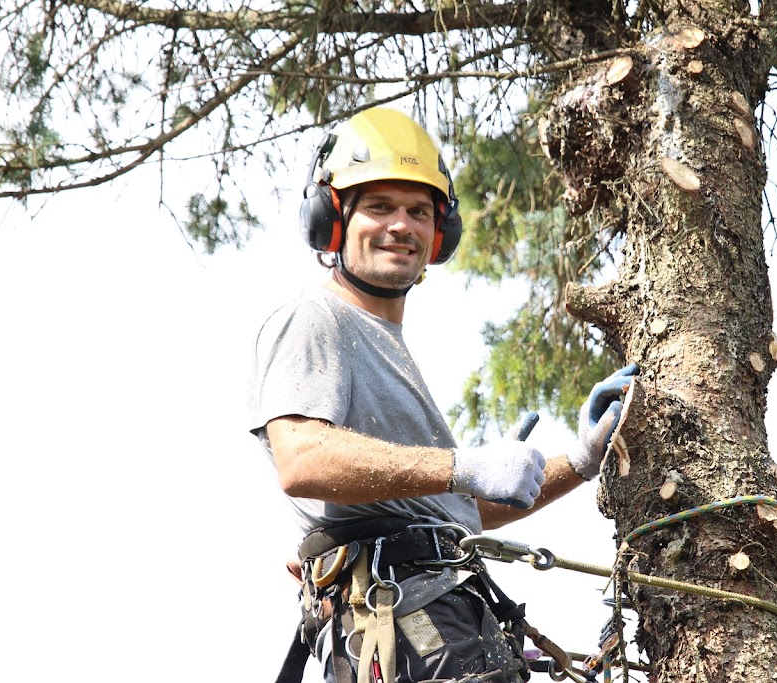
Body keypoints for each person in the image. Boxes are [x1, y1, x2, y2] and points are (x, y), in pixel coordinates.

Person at [248, 107, 637, 683]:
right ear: (332, 217)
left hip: (441, 616)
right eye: (379, 206)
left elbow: (456, 509)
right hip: (405, 622)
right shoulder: (315, 319)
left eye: (419, 212)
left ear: (440, 233)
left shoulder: (385, 344)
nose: (401, 225)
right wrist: (463, 465)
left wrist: (579, 463)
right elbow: (302, 458)